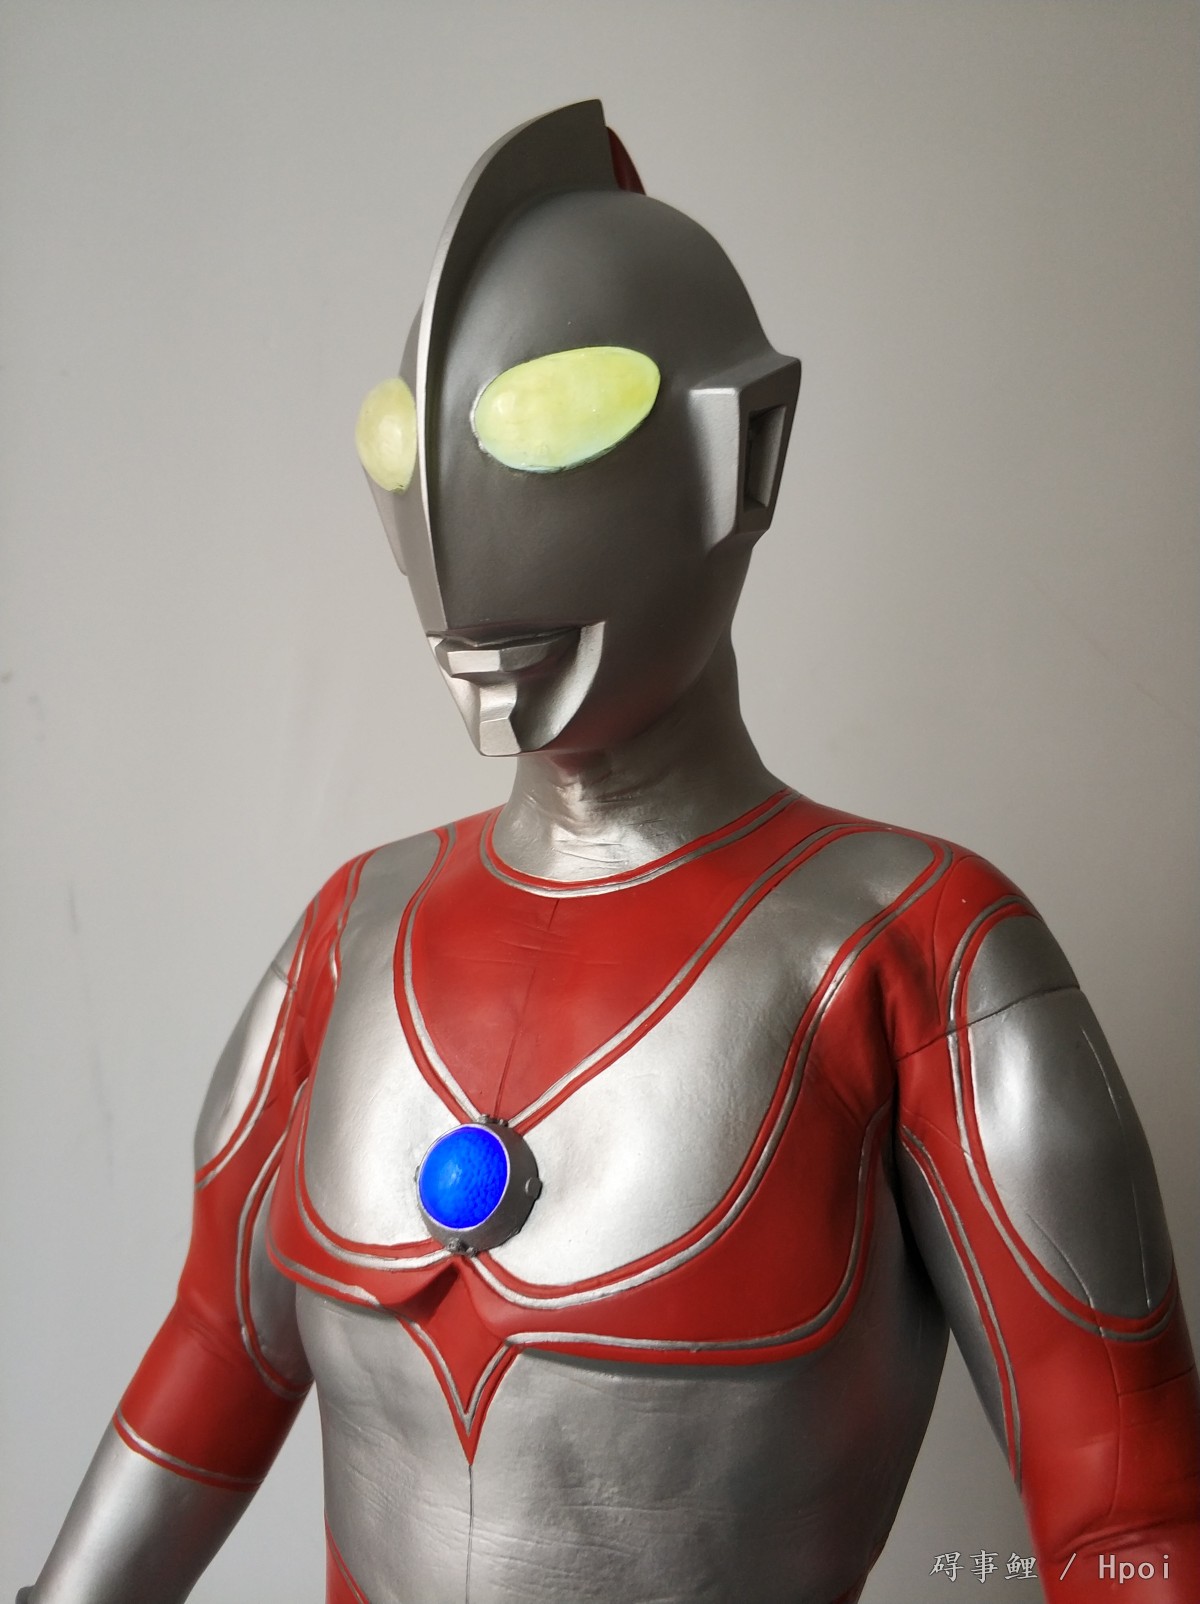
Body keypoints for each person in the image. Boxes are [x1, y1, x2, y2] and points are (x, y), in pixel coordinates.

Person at [21, 100, 1199, 1604]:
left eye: (553, 421)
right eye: (403, 440)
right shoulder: (349, 935)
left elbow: (1127, 1524)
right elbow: (210, 1362)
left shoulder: (928, 956)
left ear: (746, 450)